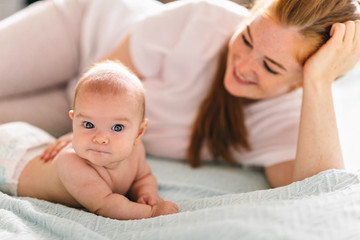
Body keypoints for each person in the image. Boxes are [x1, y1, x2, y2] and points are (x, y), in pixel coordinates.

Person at [1, 0, 360, 188]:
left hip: (78, 109)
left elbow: (317, 189)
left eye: (270, 67)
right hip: (84, 39)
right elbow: (104, 88)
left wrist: (319, 82)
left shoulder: (288, 120)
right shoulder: (201, 19)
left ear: (300, 81)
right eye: (247, 38)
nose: (244, 65)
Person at [0, 61, 179, 220]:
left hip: (34, 148)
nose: (100, 138)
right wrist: (151, 213)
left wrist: (147, 193)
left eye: (117, 128)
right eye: (88, 124)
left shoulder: (136, 152)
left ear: (139, 133)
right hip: (11, 163)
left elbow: (143, 177)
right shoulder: (72, 164)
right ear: (74, 120)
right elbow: (106, 204)